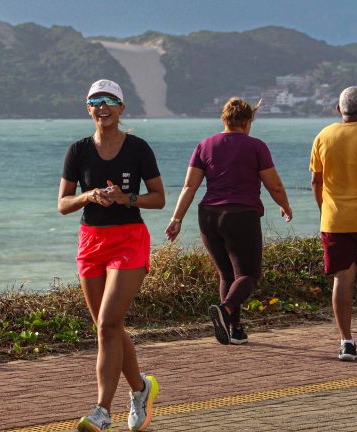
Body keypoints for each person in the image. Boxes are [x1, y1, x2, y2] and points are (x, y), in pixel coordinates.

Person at [58, 79, 165, 432]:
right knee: (109, 327)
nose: (102, 106)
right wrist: (88, 196)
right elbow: (63, 204)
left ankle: (102, 411)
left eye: (109, 100)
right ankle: (140, 389)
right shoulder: (77, 151)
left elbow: (158, 198)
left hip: (129, 240)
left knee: (107, 325)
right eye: (95, 101)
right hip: (90, 242)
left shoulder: (138, 148)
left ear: (121, 108)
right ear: (87, 108)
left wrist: (125, 198)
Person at [165, 97, 292, 346]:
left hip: (209, 215)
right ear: (246, 122)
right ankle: (225, 310)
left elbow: (190, 186)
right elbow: (273, 184)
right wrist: (285, 206)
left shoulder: (205, 145)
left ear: (224, 119)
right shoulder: (256, 146)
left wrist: (176, 218)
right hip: (241, 216)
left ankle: (235, 330)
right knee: (249, 274)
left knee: (227, 274)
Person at [310, 86, 357, 361]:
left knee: (342, 279)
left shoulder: (323, 136)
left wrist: (325, 210)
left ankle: (346, 341)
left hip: (335, 220)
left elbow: (316, 181)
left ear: (338, 109)